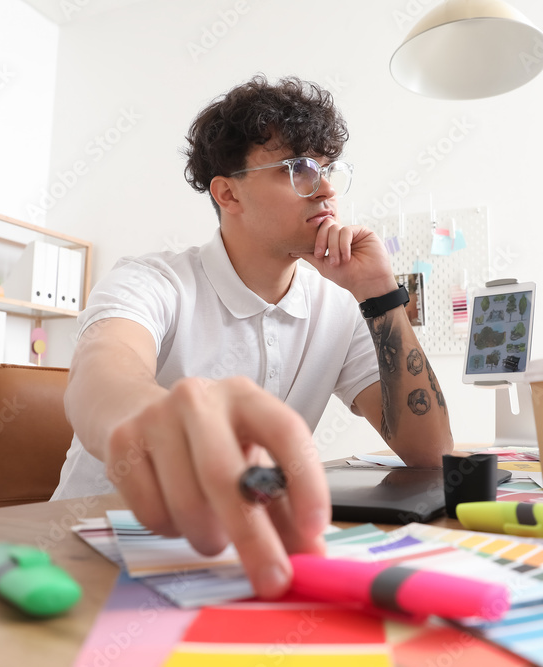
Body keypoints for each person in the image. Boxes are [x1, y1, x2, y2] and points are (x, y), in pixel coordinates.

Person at [51, 75, 454, 598]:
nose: (326, 187)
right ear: (228, 192)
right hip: (99, 549)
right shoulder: (153, 281)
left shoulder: (338, 303)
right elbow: (100, 374)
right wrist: (160, 419)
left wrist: (380, 294)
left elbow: (430, 452)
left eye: (328, 168)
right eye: (298, 169)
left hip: (234, 555)